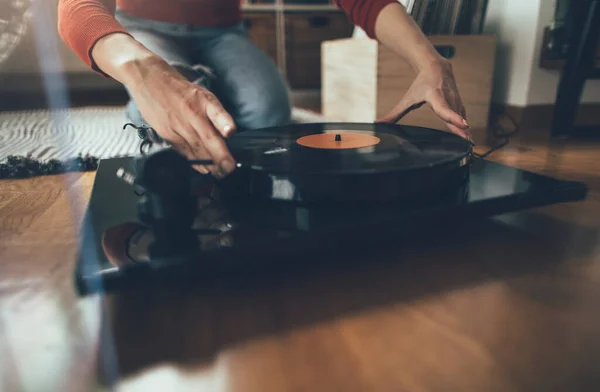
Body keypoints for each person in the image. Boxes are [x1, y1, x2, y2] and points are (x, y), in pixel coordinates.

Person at [58, 0, 471, 178]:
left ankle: (202, 83)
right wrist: (142, 70)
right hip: (145, 30)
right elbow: (77, 8)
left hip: (223, 34)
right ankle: (178, 90)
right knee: (174, 111)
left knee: (268, 111)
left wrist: (429, 61)